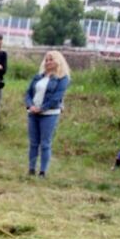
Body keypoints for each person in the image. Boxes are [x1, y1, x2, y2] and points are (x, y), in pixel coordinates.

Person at [24, 50, 71, 178]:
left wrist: (42, 108)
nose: (48, 62)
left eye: (51, 59)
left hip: (50, 113)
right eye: (46, 60)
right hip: (33, 112)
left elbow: (56, 97)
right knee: (33, 143)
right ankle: (31, 169)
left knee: (45, 143)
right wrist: (30, 105)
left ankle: (43, 171)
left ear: (58, 61)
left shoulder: (63, 78)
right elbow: (28, 93)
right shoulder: (39, 76)